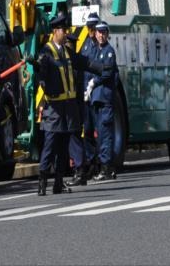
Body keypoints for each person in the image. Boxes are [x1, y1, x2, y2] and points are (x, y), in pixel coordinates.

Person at [28, 14, 102, 196]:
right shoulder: (46, 52)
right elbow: (42, 72)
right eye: (63, 30)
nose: (66, 32)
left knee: (63, 147)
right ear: (55, 31)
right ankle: (42, 181)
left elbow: (83, 62)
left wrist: (103, 67)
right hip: (54, 107)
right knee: (50, 145)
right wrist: (36, 66)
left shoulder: (67, 52)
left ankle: (58, 182)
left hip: (68, 107)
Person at [66, 12, 100, 187]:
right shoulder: (85, 46)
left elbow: (94, 67)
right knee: (85, 132)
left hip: (93, 94)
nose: (91, 31)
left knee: (94, 130)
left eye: (93, 27)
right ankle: (89, 164)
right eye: (89, 28)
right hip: (82, 97)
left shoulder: (99, 46)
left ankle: (93, 165)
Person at [90, 21, 118, 181]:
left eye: (103, 32)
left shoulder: (109, 52)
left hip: (105, 98)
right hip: (98, 99)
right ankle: (108, 167)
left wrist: (94, 82)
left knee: (105, 135)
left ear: (107, 34)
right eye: (99, 32)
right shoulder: (97, 51)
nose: (101, 35)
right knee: (100, 135)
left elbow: (107, 73)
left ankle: (106, 168)